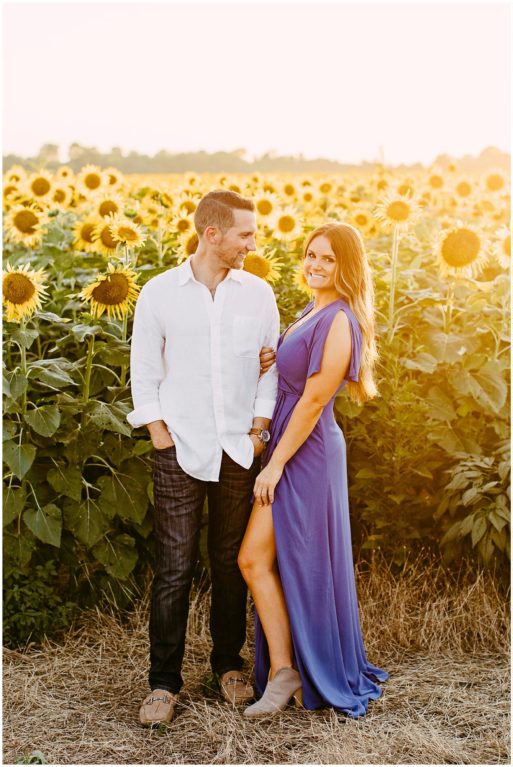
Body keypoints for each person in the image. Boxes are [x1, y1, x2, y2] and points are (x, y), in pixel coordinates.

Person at [127, 190, 281, 726]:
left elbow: (271, 367)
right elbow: (143, 370)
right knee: (173, 567)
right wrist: (158, 433)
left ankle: (227, 665)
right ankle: (164, 683)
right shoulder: (159, 294)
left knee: (229, 562)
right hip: (180, 447)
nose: (252, 244)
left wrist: (260, 429)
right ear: (211, 234)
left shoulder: (258, 293)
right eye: (245, 235)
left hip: (239, 447)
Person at [237, 222, 387, 718]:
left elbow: (316, 398)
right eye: (310, 255)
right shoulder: (311, 310)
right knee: (264, 561)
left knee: (261, 559)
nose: (315, 265)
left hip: (307, 451)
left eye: (328, 259)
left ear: (347, 267)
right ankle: (287, 670)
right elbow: (298, 373)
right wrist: (273, 357)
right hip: (290, 443)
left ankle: (293, 672)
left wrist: (274, 465)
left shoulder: (339, 319)